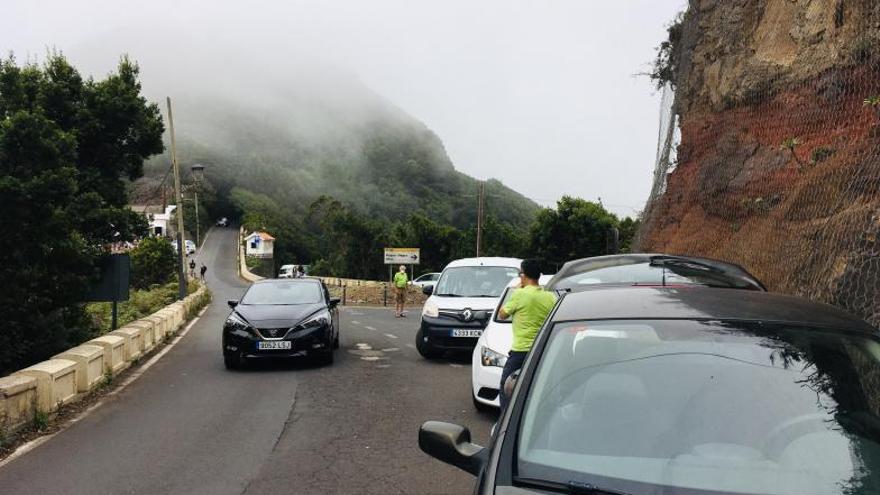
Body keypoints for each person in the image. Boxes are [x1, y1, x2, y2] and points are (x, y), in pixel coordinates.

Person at [497, 259, 556, 411]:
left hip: (520, 351)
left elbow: (502, 314)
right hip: (541, 351)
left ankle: (506, 419)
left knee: (506, 386)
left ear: (524, 276)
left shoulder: (519, 294)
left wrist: (517, 289)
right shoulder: (550, 297)